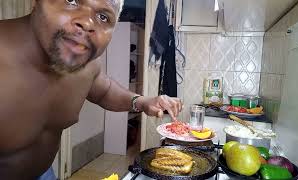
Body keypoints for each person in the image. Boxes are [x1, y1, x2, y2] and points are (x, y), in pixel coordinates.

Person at [0, 0, 182, 179]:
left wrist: (142, 102)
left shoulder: (86, 65)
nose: (87, 22)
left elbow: (105, 90)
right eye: (71, 1)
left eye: (103, 16)